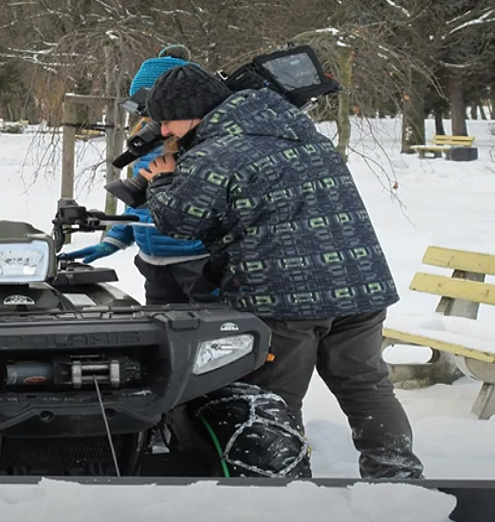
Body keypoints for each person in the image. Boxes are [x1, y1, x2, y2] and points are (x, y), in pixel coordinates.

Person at [135, 63, 424, 479]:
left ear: (194, 111)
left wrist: (162, 181)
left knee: (273, 399)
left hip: (285, 299)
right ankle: (398, 478)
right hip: (361, 288)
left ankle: (284, 490)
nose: (163, 132)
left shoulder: (214, 153)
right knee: (366, 387)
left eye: (167, 121)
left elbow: (180, 222)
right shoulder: (303, 135)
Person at [58, 45, 218, 305]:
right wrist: (113, 240)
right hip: (154, 266)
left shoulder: (206, 146)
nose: (149, 118)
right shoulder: (143, 142)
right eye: (143, 110)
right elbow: (138, 204)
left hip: (199, 266)